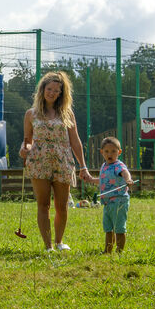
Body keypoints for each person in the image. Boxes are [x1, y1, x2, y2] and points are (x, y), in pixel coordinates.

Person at [19, 71, 94, 252]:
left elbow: (75, 141)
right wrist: (25, 149)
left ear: (61, 93)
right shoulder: (31, 114)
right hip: (38, 162)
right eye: (49, 89)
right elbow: (27, 139)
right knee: (43, 204)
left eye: (56, 90)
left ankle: (60, 242)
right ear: (42, 89)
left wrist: (83, 166)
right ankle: (48, 246)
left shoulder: (67, 114)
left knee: (62, 205)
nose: (51, 93)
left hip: (62, 162)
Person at [91, 136, 134, 253]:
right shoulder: (104, 166)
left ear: (119, 152)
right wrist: (90, 179)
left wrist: (128, 180)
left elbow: (125, 173)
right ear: (102, 152)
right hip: (107, 202)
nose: (110, 154)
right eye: (106, 151)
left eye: (113, 151)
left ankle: (120, 251)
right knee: (108, 228)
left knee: (119, 227)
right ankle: (107, 250)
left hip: (119, 201)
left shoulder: (118, 165)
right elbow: (102, 180)